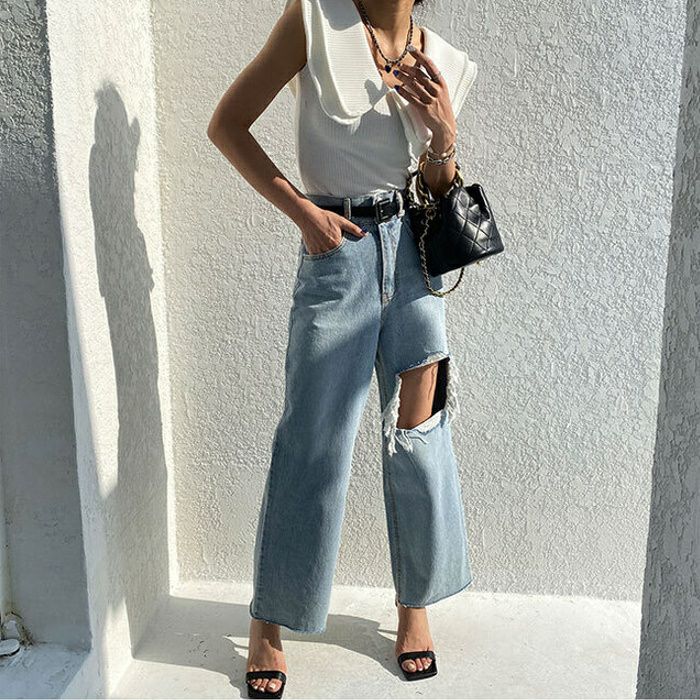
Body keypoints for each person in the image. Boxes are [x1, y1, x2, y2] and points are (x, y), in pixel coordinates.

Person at [207, 0, 478, 696]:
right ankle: (270, 621)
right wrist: (304, 213)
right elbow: (227, 124)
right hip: (339, 253)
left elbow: (438, 185)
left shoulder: (438, 56)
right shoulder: (313, 19)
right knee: (313, 439)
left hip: (415, 263)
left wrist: (444, 134)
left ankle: (414, 606)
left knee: (421, 433)